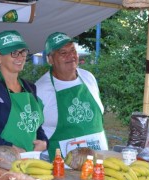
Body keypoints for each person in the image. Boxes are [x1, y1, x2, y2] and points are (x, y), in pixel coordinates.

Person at [35, 32, 108, 161]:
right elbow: (33, 132)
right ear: (50, 59)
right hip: (62, 167)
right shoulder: (40, 89)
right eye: (63, 53)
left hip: (98, 161)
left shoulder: (88, 78)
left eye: (73, 50)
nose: (71, 56)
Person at [0, 30, 48, 155]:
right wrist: (9, 148)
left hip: (30, 161)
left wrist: (43, 141)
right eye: (14, 53)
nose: (20, 57)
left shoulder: (30, 87)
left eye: (23, 52)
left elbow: (36, 126)